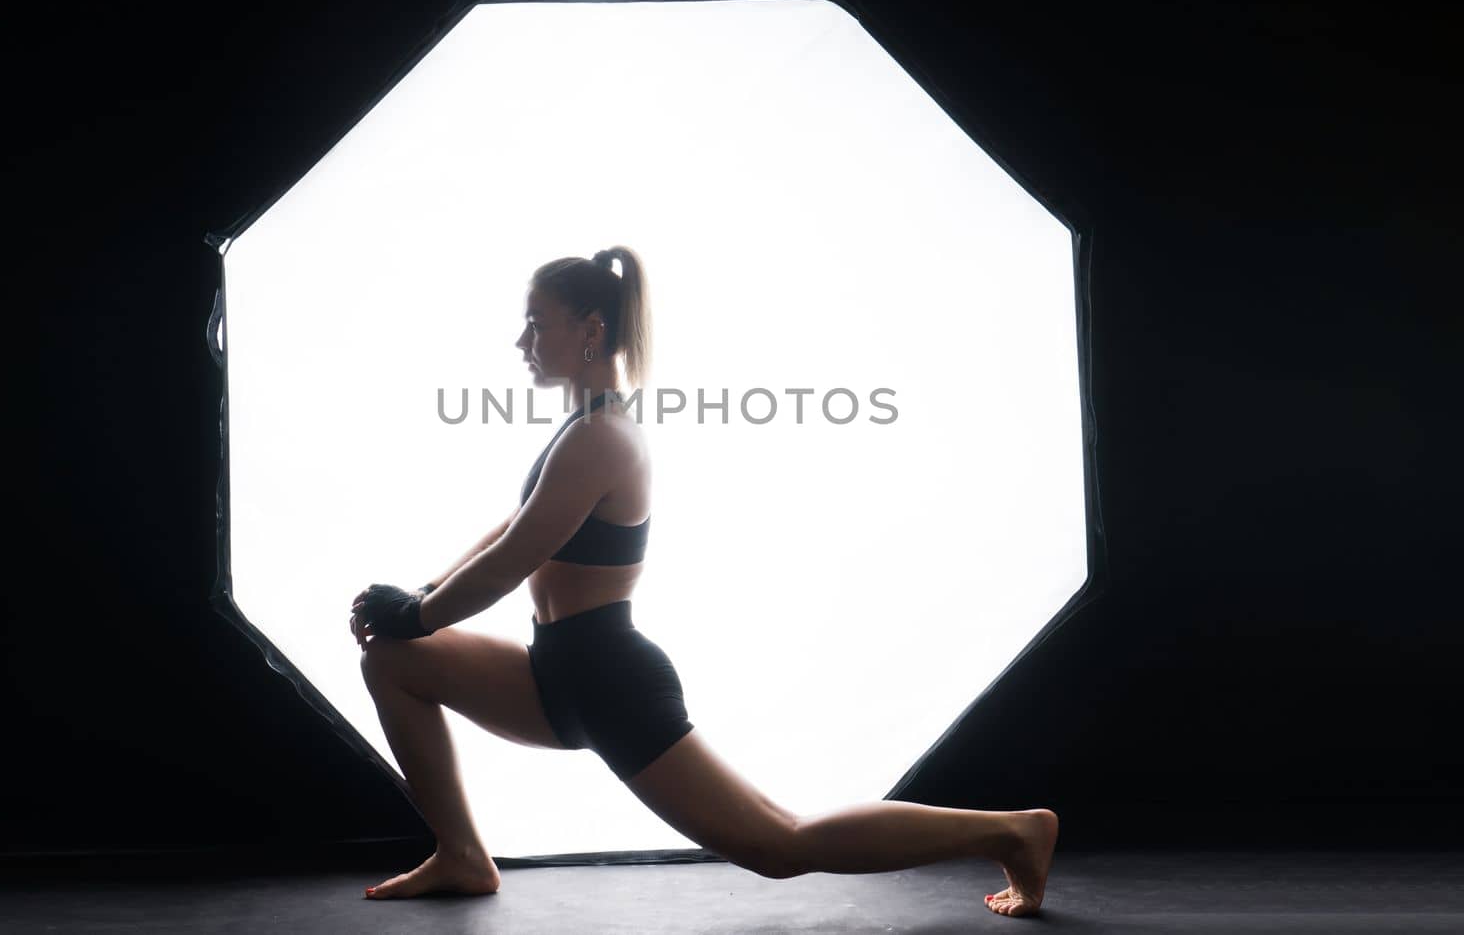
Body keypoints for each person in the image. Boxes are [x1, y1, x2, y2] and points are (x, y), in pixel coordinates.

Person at [350, 246, 1058, 918]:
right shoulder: (580, 426)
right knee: (392, 661)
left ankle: (1010, 831)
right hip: (554, 671)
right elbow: (509, 533)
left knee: (779, 844)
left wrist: (421, 612)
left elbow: (513, 559)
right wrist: (417, 604)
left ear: (591, 329)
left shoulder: (602, 437)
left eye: (537, 323)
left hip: (608, 678)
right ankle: (465, 854)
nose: (521, 340)